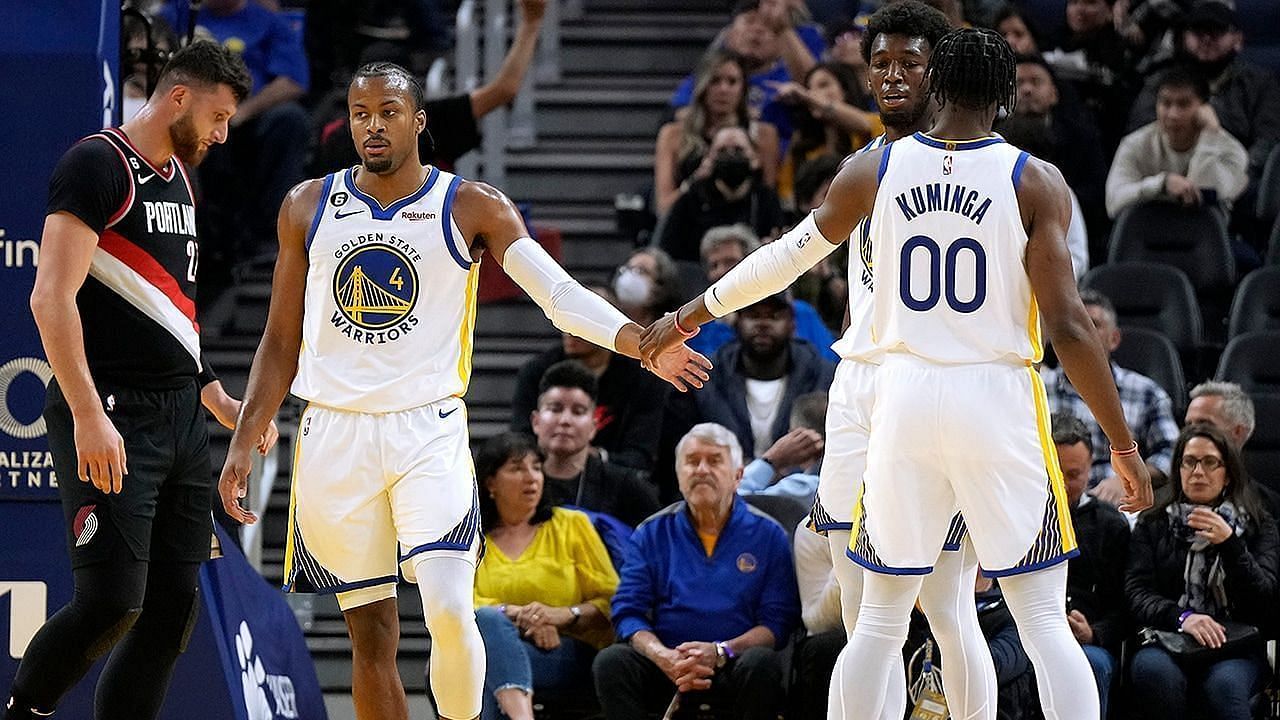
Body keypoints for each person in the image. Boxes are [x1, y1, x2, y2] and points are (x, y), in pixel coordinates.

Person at [642, 26, 1154, 720]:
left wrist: (693, 310)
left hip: (901, 399)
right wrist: (1123, 446)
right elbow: (1067, 326)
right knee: (1039, 619)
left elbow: (786, 256)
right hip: (995, 395)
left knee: (878, 621)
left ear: (934, 84)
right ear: (1005, 99)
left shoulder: (874, 169)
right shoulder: (1035, 179)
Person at [216, 63, 711, 720]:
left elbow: (557, 294)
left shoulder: (472, 203)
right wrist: (247, 436)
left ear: (419, 120)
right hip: (334, 429)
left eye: (388, 111)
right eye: (361, 113)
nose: (373, 125)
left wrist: (637, 339)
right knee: (372, 637)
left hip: (429, 429)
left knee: (451, 609)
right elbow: (280, 340)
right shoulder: (307, 205)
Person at [4, 42, 276, 720]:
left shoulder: (179, 178)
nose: (220, 134)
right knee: (112, 601)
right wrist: (88, 412)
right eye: (216, 117)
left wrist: (212, 391)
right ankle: (23, 711)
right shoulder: (96, 164)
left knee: (172, 610)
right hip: (114, 411)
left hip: (181, 414)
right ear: (179, 96)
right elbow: (50, 298)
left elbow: (173, 306)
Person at [592, 423, 800, 720]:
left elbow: (777, 622)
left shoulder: (769, 534)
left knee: (762, 664)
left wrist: (721, 651)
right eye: (692, 461)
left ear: (738, 476)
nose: (701, 469)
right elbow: (628, 612)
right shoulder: (651, 532)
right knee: (612, 662)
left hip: (735, 661)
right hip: (666, 663)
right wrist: (663, 656)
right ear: (679, 478)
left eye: (714, 460)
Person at [1125, 423, 1278, 720]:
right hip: (1167, 636)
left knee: (1224, 688)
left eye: (1210, 462)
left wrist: (1231, 545)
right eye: (1189, 461)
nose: (1198, 472)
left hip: (1236, 644)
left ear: (1228, 474)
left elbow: (1265, 602)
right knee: (1156, 676)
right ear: (1178, 469)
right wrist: (1182, 617)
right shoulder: (1153, 522)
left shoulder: (1259, 524)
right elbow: (1136, 591)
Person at [471, 434, 619, 720]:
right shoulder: (477, 540)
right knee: (489, 637)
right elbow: (465, 605)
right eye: (517, 468)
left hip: (566, 650)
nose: (531, 477)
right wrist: (519, 617)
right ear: (490, 483)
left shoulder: (572, 525)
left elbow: (611, 599)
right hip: (502, 645)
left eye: (536, 467)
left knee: (482, 665)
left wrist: (561, 615)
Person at [313, 0, 552, 176]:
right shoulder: (430, 122)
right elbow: (504, 90)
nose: (376, 128)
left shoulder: (334, 132)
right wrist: (531, 24)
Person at [171, 0, 313, 272]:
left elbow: (293, 81)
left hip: (248, 118)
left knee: (290, 120)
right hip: (188, 116)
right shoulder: (177, 15)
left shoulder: (270, 23)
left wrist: (241, 114)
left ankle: (273, 236)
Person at [509, 285, 669, 474]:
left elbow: (641, 457)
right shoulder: (536, 371)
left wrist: (585, 457)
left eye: (582, 319)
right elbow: (520, 442)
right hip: (545, 475)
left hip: (616, 483)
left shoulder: (644, 378)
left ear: (611, 325)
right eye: (565, 318)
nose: (569, 329)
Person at [1041, 289, 1179, 502]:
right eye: (1076, 323)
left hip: (1116, 505)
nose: (1082, 331)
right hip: (1047, 496)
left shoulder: (1147, 393)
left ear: (1114, 339)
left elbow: (1172, 454)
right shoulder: (1038, 386)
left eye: (1093, 324)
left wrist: (1128, 477)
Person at [1053, 413, 1130, 717]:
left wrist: (1094, 633)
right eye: (1052, 473)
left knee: (1092, 665)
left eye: (1073, 475)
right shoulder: (1015, 517)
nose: (1062, 485)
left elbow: (1127, 607)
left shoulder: (1111, 526)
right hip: (1018, 633)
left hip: (1087, 643)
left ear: (1090, 471)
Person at [528, 360, 661, 527]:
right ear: (536, 421)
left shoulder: (627, 488)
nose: (565, 420)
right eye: (555, 409)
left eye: (578, 411)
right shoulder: (513, 483)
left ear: (594, 425)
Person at [1106, 65, 1249, 217]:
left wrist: (1209, 137)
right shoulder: (1134, 144)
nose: (1173, 114)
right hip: (1147, 235)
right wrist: (1161, 184)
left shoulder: (1231, 150)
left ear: (1204, 108)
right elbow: (1113, 203)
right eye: (1165, 104)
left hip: (1207, 237)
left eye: (1183, 104)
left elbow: (1202, 197)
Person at [653, 50, 781, 217]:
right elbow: (663, 208)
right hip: (689, 225)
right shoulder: (673, 135)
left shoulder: (764, 135)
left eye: (732, 82)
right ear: (702, 86)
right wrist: (696, 180)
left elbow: (768, 204)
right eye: (715, 81)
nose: (723, 89)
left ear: (743, 88)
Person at [689, 224, 838, 362]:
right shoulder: (703, 323)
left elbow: (829, 364)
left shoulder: (800, 313)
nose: (720, 271)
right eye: (714, 265)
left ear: (755, 264)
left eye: (730, 262)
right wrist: (729, 327)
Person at [654, 125, 786, 263]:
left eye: (738, 150)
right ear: (708, 159)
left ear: (755, 158)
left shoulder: (765, 198)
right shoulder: (691, 199)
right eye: (722, 151)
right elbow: (668, 255)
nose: (730, 156)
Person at [771, 62, 882, 206]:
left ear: (845, 90)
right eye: (809, 89)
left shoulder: (871, 124)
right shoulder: (802, 147)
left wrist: (805, 96)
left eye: (823, 85)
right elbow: (787, 199)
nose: (814, 94)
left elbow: (864, 125)